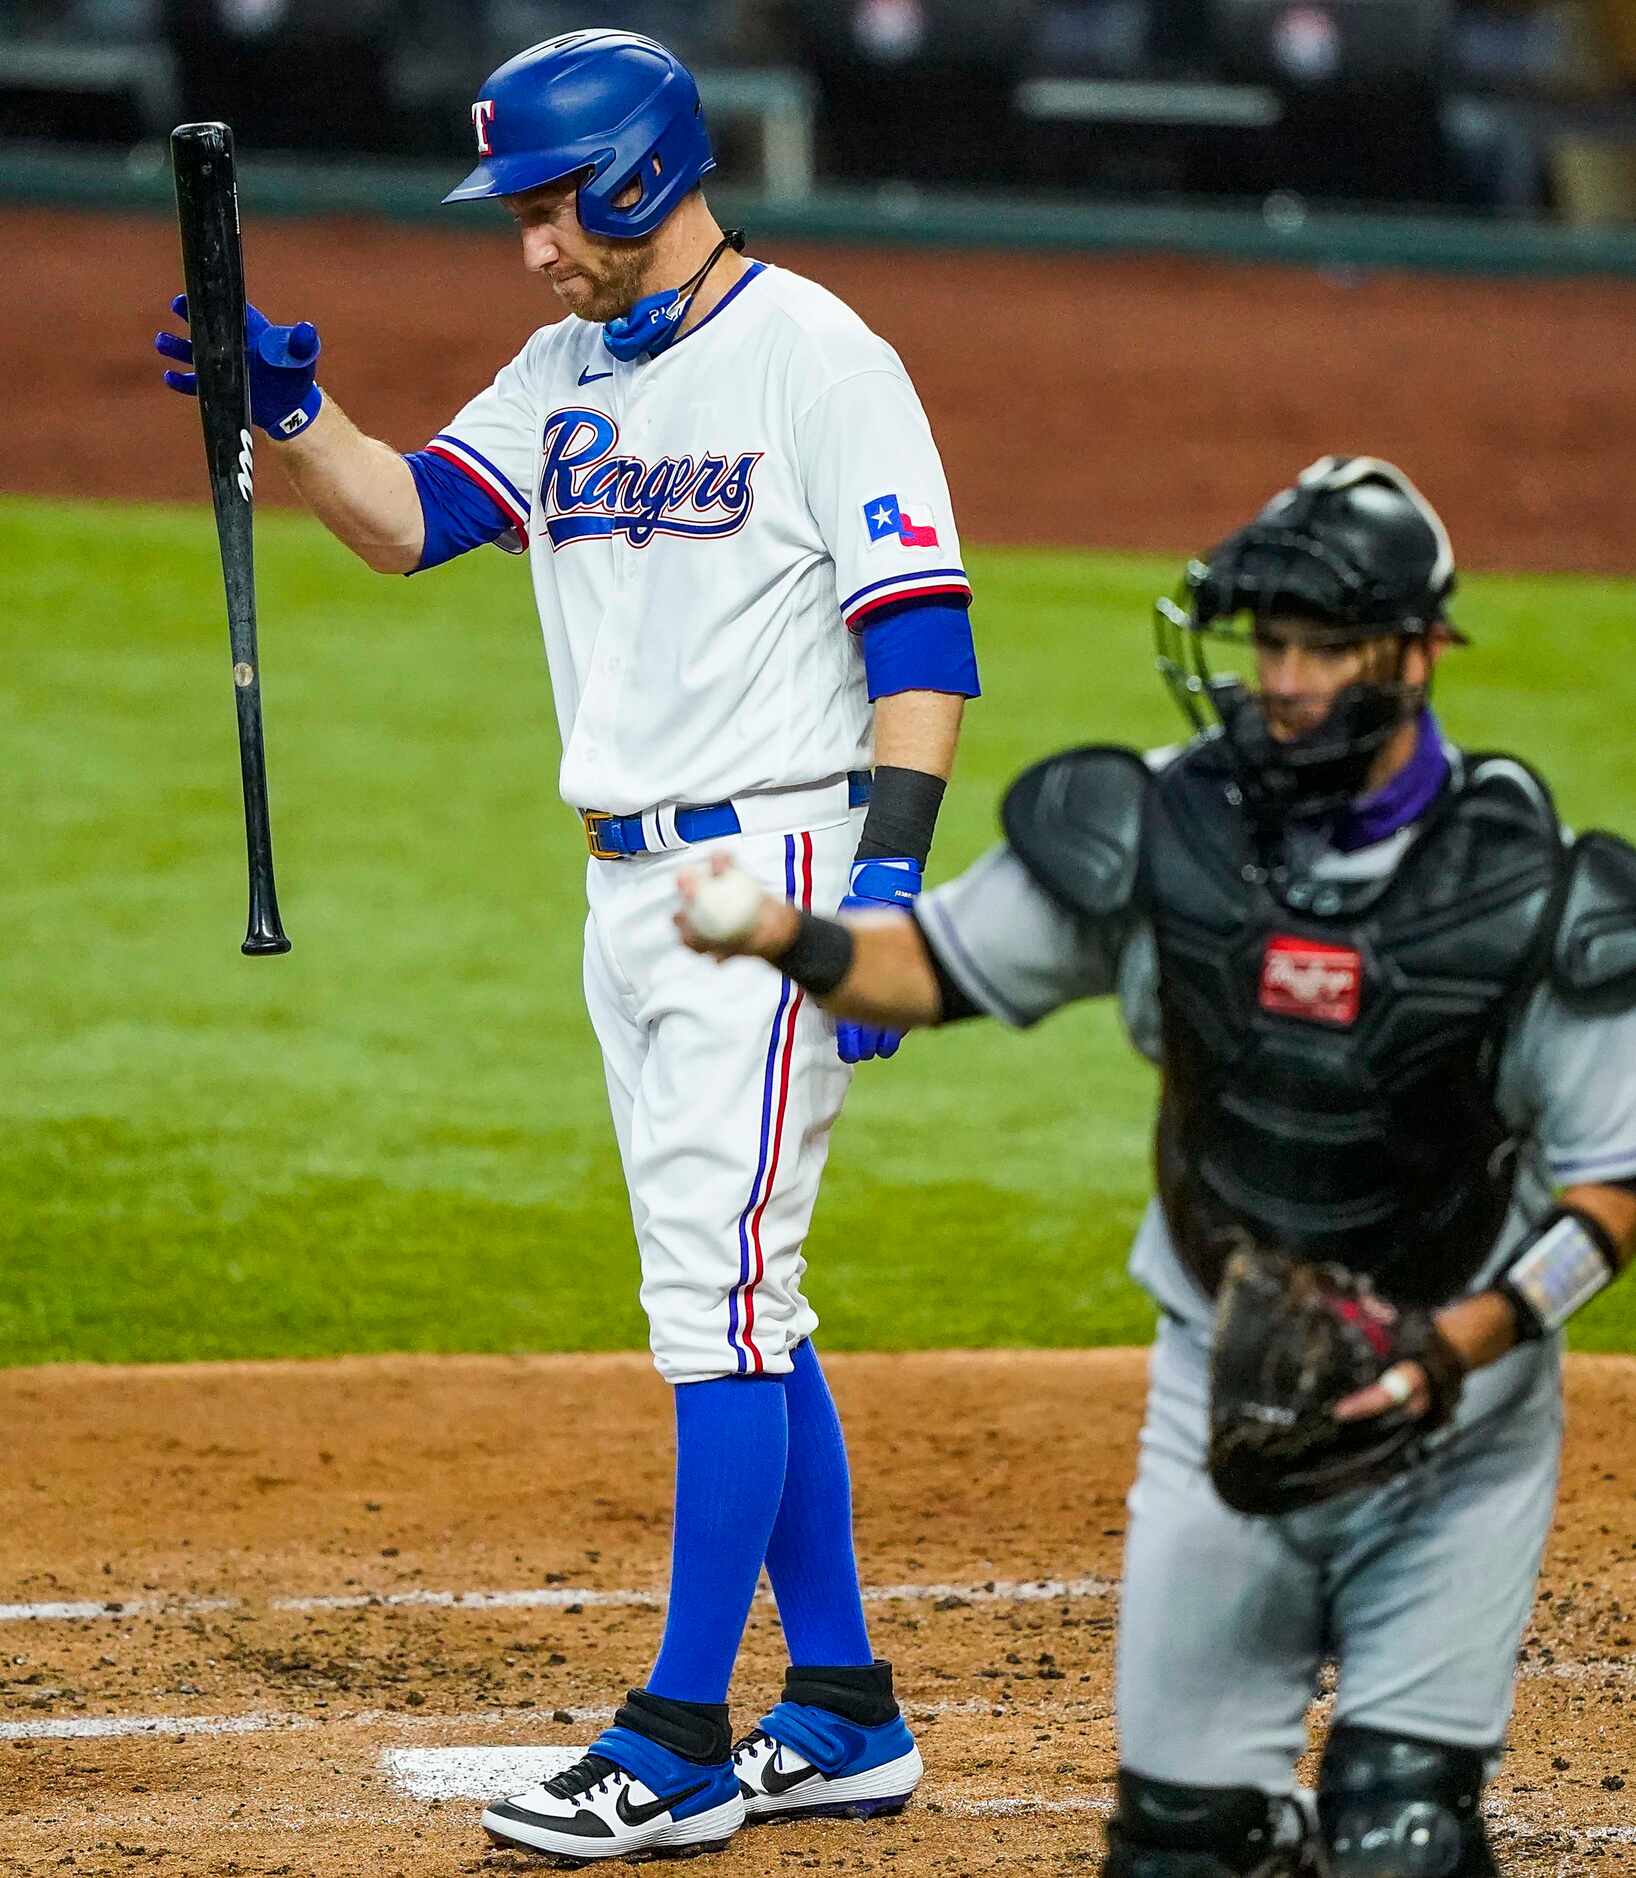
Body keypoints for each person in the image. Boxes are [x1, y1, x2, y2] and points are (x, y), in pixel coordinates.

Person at [154, 28, 979, 1866]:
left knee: (723, 1303)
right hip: (627, 890)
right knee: (744, 1282)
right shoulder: (566, 370)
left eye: (543, 207)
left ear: (631, 176)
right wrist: (281, 409)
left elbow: (921, 644)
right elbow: (405, 524)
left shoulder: (817, 357)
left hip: (774, 873)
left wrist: (888, 893)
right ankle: (839, 1702)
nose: (525, 245)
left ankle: (681, 1731)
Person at [677, 455, 1636, 1876]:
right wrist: (786, 935)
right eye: (1270, 642)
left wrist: (1460, 1341)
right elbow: (927, 967)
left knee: (1405, 1841)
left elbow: (1611, 1195)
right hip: (1222, 1389)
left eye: (1324, 643)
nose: (1287, 676)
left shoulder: (1524, 887)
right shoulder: (1168, 826)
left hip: (1458, 1423)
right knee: (1181, 1847)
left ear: (1419, 651)